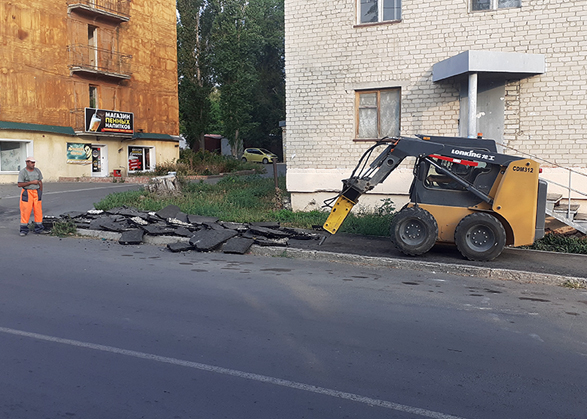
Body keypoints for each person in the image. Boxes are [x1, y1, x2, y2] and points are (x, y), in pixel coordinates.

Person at [17, 156, 46, 236]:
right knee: (25, 211)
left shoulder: (37, 171)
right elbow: (19, 184)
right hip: (27, 193)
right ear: (27, 163)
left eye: (34, 162)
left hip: (36, 192)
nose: (33, 164)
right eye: (32, 162)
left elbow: (40, 182)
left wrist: (40, 192)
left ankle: (39, 228)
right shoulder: (23, 172)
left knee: (38, 211)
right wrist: (31, 182)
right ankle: (23, 230)